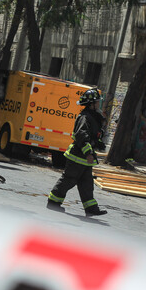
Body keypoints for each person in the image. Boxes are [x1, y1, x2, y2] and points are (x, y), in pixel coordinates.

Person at [47, 88, 108, 216]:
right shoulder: (85, 117)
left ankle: (90, 208)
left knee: (86, 184)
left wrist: (98, 143)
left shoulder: (92, 117)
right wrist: (88, 153)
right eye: (97, 102)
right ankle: (53, 202)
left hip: (84, 158)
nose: (98, 104)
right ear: (91, 104)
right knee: (69, 180)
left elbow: (91, 135)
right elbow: (81, 135)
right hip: (78, 156)